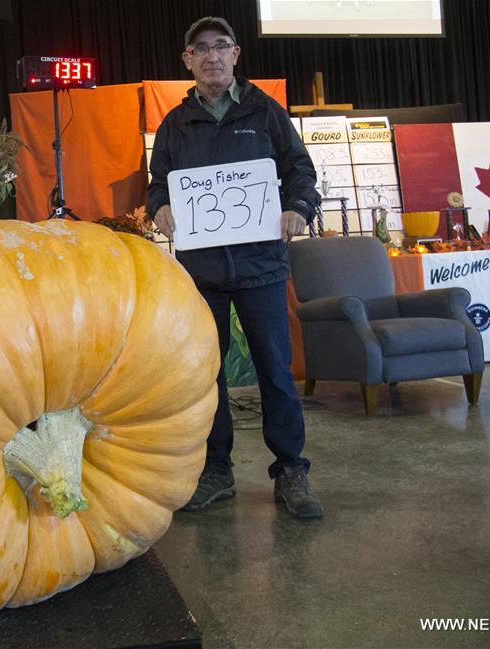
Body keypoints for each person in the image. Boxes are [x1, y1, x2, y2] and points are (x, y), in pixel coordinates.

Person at [147, 17, 323, 518]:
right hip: (202, 275)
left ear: (237, 53)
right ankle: (216, 471)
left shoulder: (265, 112)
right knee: (207, 376)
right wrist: (160, 205)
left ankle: (291, 470)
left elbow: (300, 172)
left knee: (275, 373)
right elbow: (158, 183)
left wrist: (299, 208)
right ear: (187, 60)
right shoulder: (175, 124)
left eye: (221, 46)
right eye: (200, 48)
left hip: (262, 269)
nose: (212, 56)